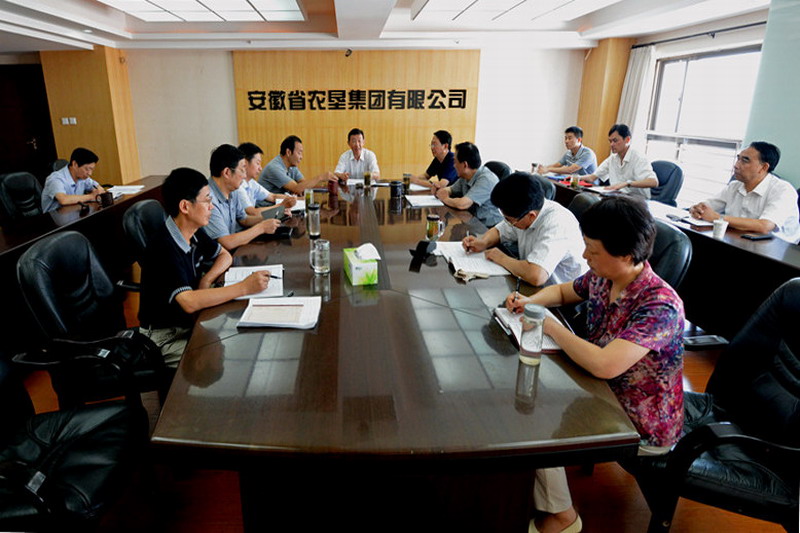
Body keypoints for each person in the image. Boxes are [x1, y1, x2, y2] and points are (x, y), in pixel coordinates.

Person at [505, 196, 685, 533]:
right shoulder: (604, 276)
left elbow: (604, 365)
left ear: (626, 255)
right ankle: (537, 492)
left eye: (592, 250)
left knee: (532, 414)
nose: (585, 256)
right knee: (522, 395)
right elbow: (564, 292)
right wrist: (531, 301)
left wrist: (550, 326)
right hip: (602, 390)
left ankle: (563, 517)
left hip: (639, 419)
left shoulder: (660, 305)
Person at [138, 167, 273, 366]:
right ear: (185, 206)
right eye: (207, 200)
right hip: (164, 338)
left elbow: (224, 255)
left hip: (188, 321)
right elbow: (189, 302)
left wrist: (207, 279)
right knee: (231, 356)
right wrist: (244, 287)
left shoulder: (192, 231)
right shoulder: (163, 247)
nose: (212, 207)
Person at [462, 172, 587, 286]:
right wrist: (483, 242)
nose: (508, 223)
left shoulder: (558, 223)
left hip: (561, 296)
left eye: (510, 220)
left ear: (531, 216)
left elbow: (536, 275)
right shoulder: (524, 210)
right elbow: (500, 230)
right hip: (532, 285)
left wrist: (500, 258)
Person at [688, 141, 800, 243]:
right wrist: (697, 209)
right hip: (739, 241)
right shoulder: (734, 186)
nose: (736, 165)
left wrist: (717, 218)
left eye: (745, 160)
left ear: (764, 167)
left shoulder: (783, 190)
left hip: (779, 250)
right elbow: (706, 207)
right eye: (738, 159)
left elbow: (764, 226)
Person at [205, 144, 281, 251]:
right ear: (227, 172)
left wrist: (272, 216)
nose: (245, 176)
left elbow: (244, 219)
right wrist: (262, 227)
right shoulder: (207, 199)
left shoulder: (233, 190)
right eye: (242, 170)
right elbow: (227, 242)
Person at [435, 141, 503, 227]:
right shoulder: (465, 176)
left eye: (455, 162)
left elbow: (462, 204)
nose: (454, 165)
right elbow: (450, 189)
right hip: (472, 223)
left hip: (489, 227)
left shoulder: (486, 179)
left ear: (465, 165)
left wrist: (445, 198)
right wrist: (441, 191)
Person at [583, 124, 657, 199]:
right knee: (587, 199)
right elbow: (592, 177)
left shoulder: (638, 158)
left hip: (636, 200)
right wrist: (577, 177)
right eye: (610, 141)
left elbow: (653, 182)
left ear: (627, 139)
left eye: (615, 141)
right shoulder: (612, 158)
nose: (611, 144)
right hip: (617, 197)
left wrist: (627, 183)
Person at [258, 135, 335, 194]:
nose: (301, 157)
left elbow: (303, 184)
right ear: (288, 152)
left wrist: (326, 186)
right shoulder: (274, 168)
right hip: (267, 207)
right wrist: (320, 177)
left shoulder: (292, 166)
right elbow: (296, 189)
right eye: (299, 153)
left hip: (281, 204)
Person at [236, 142, 296, 216]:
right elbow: (252, 212)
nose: (260, 168)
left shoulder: (251, 183)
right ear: (245, 163)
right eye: (257, 163)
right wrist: (281, 206)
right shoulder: (238, 186)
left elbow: (273, 196)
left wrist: (291, 199)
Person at [41, 147, 105, 213]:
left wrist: (98, 191)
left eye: (92, 170)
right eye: (87, 169)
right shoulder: (55, 179)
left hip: (74, 214)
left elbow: (96, 186)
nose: (90, 173)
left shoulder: (82, 177)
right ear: (75, 164)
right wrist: (91, 196)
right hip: (54, 217)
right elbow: (63, 200)